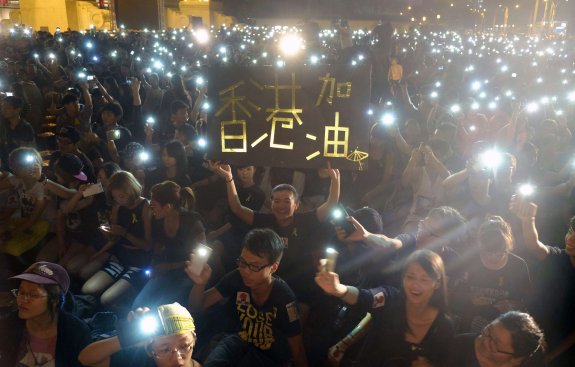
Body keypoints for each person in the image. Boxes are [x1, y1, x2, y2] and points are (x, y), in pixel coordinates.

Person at [210, 161, 340, 308]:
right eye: (276, 201)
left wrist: (335, 180)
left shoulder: (305, 220)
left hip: (300, 284)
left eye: (287, 201)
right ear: (271, 204)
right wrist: (229, 179)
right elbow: (237, 208)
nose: (281, 206)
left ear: (296, 205)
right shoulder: (264, 220)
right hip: (268, 281)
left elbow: (331, 204)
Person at [186, 228, 308, 367]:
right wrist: (199, 284)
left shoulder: (284, 299)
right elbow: (196, 307)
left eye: (255, 266)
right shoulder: (237, 276)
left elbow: (297, 349)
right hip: (238, 342)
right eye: (243, 262)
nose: (246, 271)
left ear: (273, 267)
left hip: (269, 356)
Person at [315, 249, 454, 366]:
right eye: (410, 277)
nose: (415, 285)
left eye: (424, 279)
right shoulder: (390, 298)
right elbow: (365, 297)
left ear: (437, 283)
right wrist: (338, 289)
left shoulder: (444, 326)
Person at [510, 196, 575, 364]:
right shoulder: (559, 256)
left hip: (560, 345)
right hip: (530, 331)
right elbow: (534, 245)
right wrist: (528, 220)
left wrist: (550, 358)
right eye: (570, 231)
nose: (570, 239)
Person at [0, 262, 92, 366]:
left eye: (33, 294)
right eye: (21, 292)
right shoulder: (9, 324)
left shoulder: (76, 334)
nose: (23, 300)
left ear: (54, 300)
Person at [82, 170, 152, 306]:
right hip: (120, 256)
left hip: (139, 261)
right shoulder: (117, 207)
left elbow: (148, 246)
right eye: (115, 197)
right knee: (88, 289)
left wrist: (124, 233)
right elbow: (114, 238)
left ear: (131, 190)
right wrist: (108, 235)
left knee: (106, 299)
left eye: (122, 196)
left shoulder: (145, 206)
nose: (119, 200)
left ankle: (131, 293)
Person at [452, 215, 531, 333]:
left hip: (505, 328)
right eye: (487, 253)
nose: (493, 258)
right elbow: (451, 295)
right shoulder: (468, 261)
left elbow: (528, 301)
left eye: (499, 254)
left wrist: (511, 305)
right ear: (480, 246)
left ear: (507, 248)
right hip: (468, 324)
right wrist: (470, 298)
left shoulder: (518, 265)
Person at [132, 180, 205, 308]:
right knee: (139, 305)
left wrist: (170, 266)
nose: (150, 207)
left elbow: (200, 261)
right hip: (166, 269)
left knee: (162, 307)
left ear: (167, 207)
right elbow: (158, 246)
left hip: (189, 274)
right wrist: (154, 265)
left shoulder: (192, 222)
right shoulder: (158, 221)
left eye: (154, 204)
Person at [79, 302, 202, 367]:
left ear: (194, 339)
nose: (177, 358)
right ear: (149, 350)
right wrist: (125, 339)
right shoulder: (140, 361)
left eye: (184, 346)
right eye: (165, 349)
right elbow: (85, 359)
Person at [449, 311, 546, 367]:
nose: (485, 341)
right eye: (487, 331)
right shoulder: (458, 345)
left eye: (494, 344)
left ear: (516, 359)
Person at [0, 95, 36, 170]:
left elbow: (27, 151)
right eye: (2, 108)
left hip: (20, 167)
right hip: (5, 166)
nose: (3, 110)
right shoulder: (4, 125)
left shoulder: (25, 127)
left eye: (7, 108)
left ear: (17, 109)